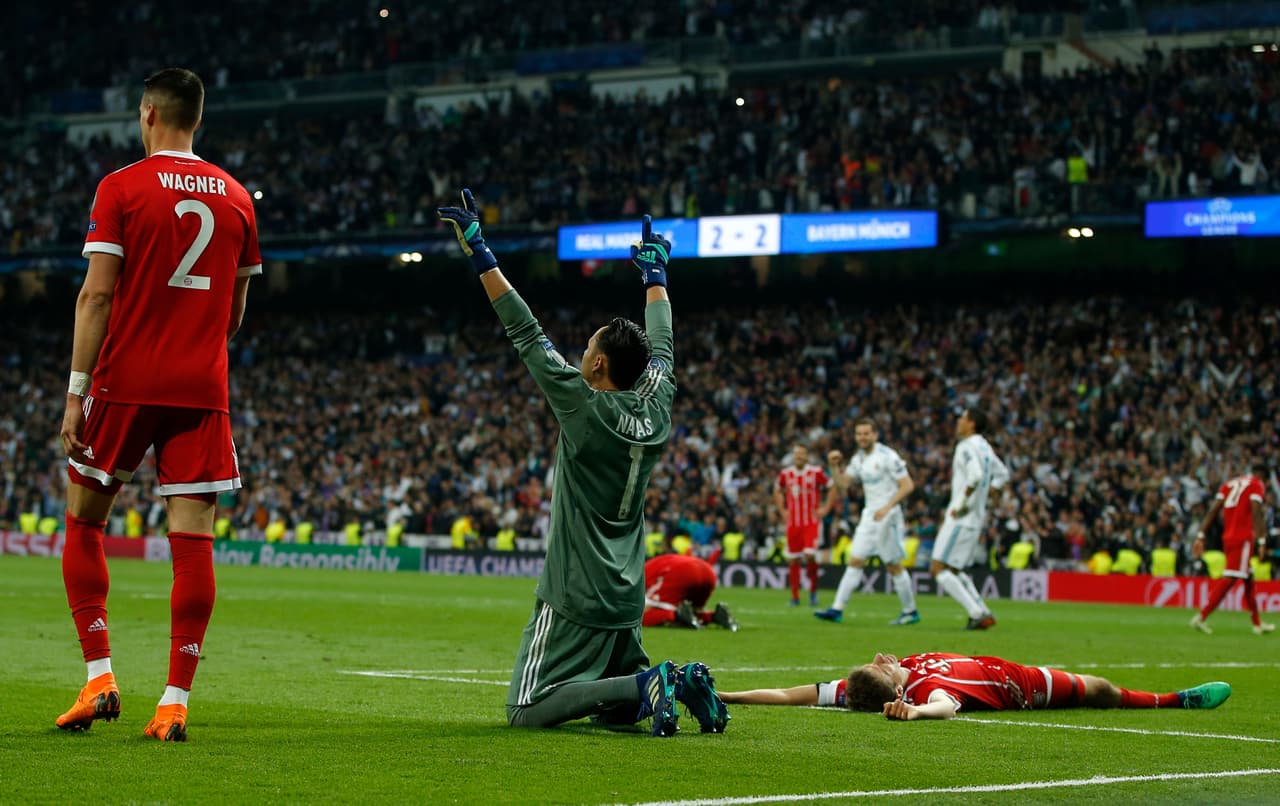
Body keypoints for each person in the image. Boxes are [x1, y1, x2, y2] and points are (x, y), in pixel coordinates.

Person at [437, 194, 727, 736]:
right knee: (615, 717)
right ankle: (669, 682)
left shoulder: (582, 404)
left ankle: (647, 684)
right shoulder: (657, 405)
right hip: (626, 593)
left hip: (575, 592)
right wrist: (655, 274)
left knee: (525, 711)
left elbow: (526, 332)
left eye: (586, 347)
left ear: (596, 364)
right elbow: (662, 346)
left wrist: (480, 251)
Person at [56, 68, 261, 742]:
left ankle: (100, 676)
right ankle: (174, 701)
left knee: (84, 522)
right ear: (195, 120)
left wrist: (76, 393)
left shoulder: (121, 188)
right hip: (202, 389)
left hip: (124, 380)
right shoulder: (236, 199)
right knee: (192, 542)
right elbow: (234, 319)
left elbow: (95, 296)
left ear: (147, 114)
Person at [718, 652, 1232, 719]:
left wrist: (728, 695)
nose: (882, 657)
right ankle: (1175, 700)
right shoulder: (919, 694)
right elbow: (948, 707)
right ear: (893, 691)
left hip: (1008, 666)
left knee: (1099, 686)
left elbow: (790, 695)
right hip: (1023, 687)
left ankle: (1173, 697)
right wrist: (916, 713)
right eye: (882, 667)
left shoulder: (859, 686)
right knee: (1100, 690)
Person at [815, 418, 919, 625]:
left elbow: (907, 485)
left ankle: (910, 611)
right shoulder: (859, 459)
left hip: (887, 516)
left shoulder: (888, 456)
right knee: (855, 560)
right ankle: (836, 609)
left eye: (866, 433)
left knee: (893, 565)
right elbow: (843, 485)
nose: (862, 437)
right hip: (869, 515)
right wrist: (833, 467)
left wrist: (886, 508)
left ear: (875, 435)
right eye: (859, 434)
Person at [931, 408, 1009, 629]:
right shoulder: (985, 447)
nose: (959, 421)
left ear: (972, 423)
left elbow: (974, 476)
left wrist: (960, 505)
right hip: (976, 518)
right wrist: (990, 491)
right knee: (955, 570)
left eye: (963, 418)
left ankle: (975, 613)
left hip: (961, 518)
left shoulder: (966, 447)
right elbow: (1002, 474)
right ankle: (983, 611)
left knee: (938, 568)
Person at [1190, 461, 1275, 636]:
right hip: (1243, 537)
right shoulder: (1256, 484)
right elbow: (1256, 511)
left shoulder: (1229, 484)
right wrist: (1261, 541)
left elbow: (1214, 510)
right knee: (1230, 579)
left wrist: (1201, 534)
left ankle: (1257, 624)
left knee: (1248, 579)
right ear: (1263, 477)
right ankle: (1201, 617)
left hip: (1228, 536)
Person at [775, 443, 831, 607]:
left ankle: (813, 592)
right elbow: (777, 490)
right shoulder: (786, 474)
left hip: (811, 523)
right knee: (793, 560)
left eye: (802, 454)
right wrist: (782, 510)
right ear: (793, 456)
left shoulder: (816, 472)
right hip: (793, 524)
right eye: (797, 454)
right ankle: (795, 596)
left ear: (807, 456)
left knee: (809, 555)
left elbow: (832, 486)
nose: (799, 456)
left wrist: (826, 507)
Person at [644, 553, 739, 631]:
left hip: (681, 572)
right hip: (708, 571)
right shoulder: (653, 563)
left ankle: (676, 615)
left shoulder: (641, 573)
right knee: (692, 612)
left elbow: (646, 608)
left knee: (637, 617)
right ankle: (714, 616)